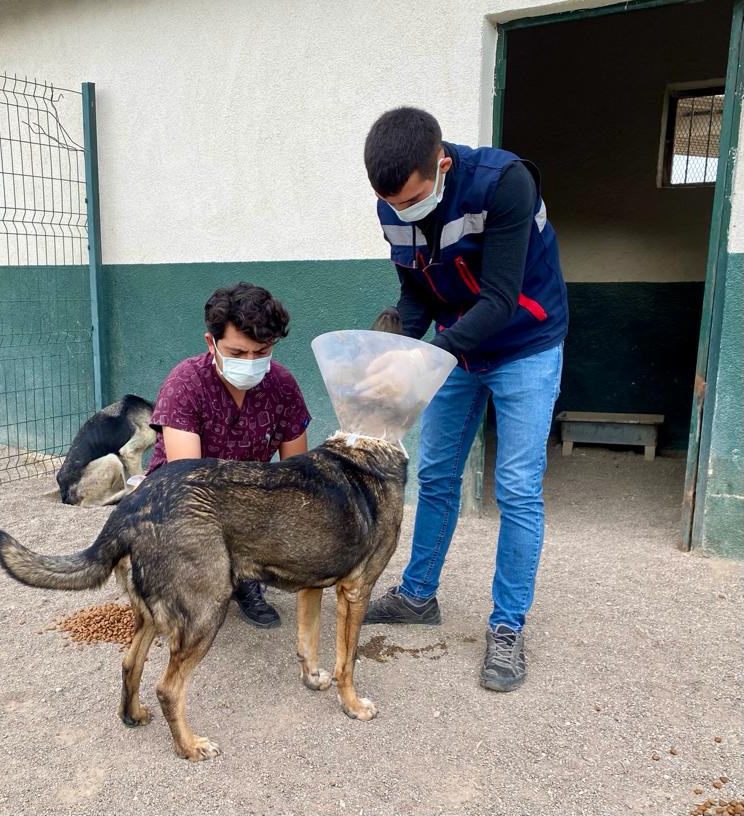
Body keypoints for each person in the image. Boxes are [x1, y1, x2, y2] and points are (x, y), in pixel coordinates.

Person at [360, 107, 569, 692]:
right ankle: (418, 595)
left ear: (443, 164)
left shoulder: (505, 183)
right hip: (459, 343)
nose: (401, 211)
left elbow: (501, 298)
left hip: (526, 340)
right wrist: (395, 345)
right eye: (390, 203)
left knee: (518, 487)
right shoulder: (392, 201)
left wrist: (428, 356)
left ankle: (507, 627)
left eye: (412, 198)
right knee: (435, 471)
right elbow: (416, 291)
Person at [145, 282, 311, 627]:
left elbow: (296, 472)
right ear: (212, 343)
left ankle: (245, 580)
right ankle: (184, 576)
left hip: (247, 500)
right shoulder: (186, 383)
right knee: (191, 594)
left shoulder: (282, 385)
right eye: (237, 354)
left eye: (262, 351)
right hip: (184, 498)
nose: (250, 363)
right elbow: (188, 480)